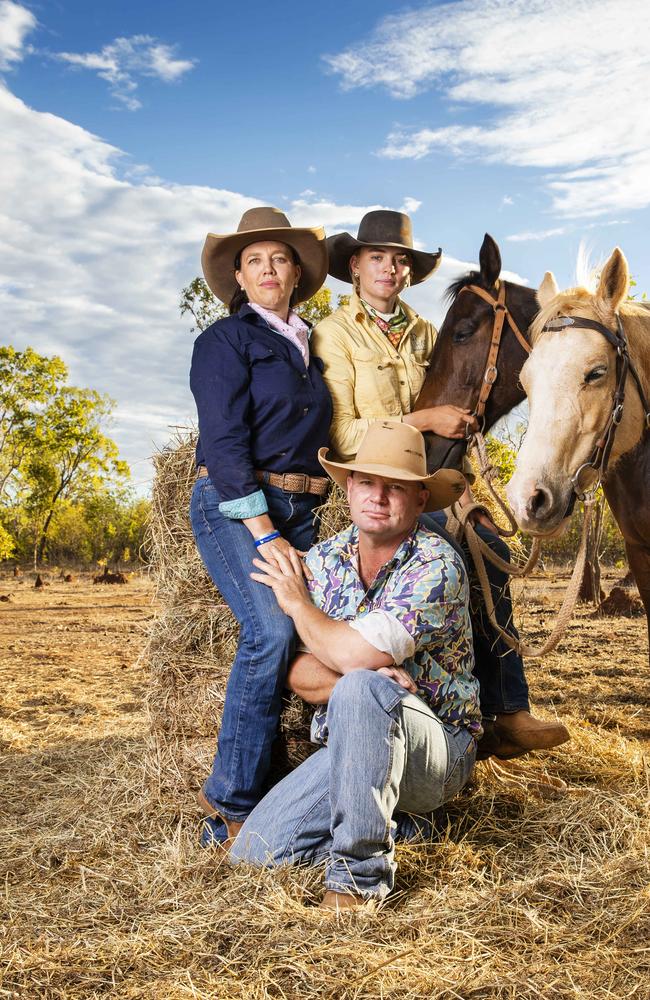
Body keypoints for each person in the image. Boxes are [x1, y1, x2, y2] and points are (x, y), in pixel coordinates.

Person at [310, 210, 569, 758]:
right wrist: (423, 423)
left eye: (400, 259)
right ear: (354, 266)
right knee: (444, 554)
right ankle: (447, 710)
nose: (390, 268)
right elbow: (343, 432)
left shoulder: (429, 334)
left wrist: (466, 497)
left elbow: (456, 420)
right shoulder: (333, 334)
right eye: (377, 257)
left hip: (422, 484)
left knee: (487, 545)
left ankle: (505, 709)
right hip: (366, 483)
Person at [230, 421, 480, 909]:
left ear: (421, 500)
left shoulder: (436, 566)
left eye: (395, 487)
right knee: (253, 855)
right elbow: (295, 671)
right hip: (350, 749)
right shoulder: (321, 562)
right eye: (367, 482)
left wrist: (302, 609)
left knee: (362, 687)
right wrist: (355, 675)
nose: (378, 497)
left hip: (437, 749)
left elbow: (352, 657)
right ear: (348, 487)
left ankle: (358, 881)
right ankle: (400, 822)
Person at [190, 207, 333, 846]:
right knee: (272, 629)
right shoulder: (224, 342)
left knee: (318, 632)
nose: (268, 269)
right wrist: (266, 533)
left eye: (278, 258)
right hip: (237, 505)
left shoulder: (312, 344)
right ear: (239, 280)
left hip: (306, 508)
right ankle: (231, 803)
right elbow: (223, 446)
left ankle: (296, 778)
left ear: (296, 272)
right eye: (254, 261)